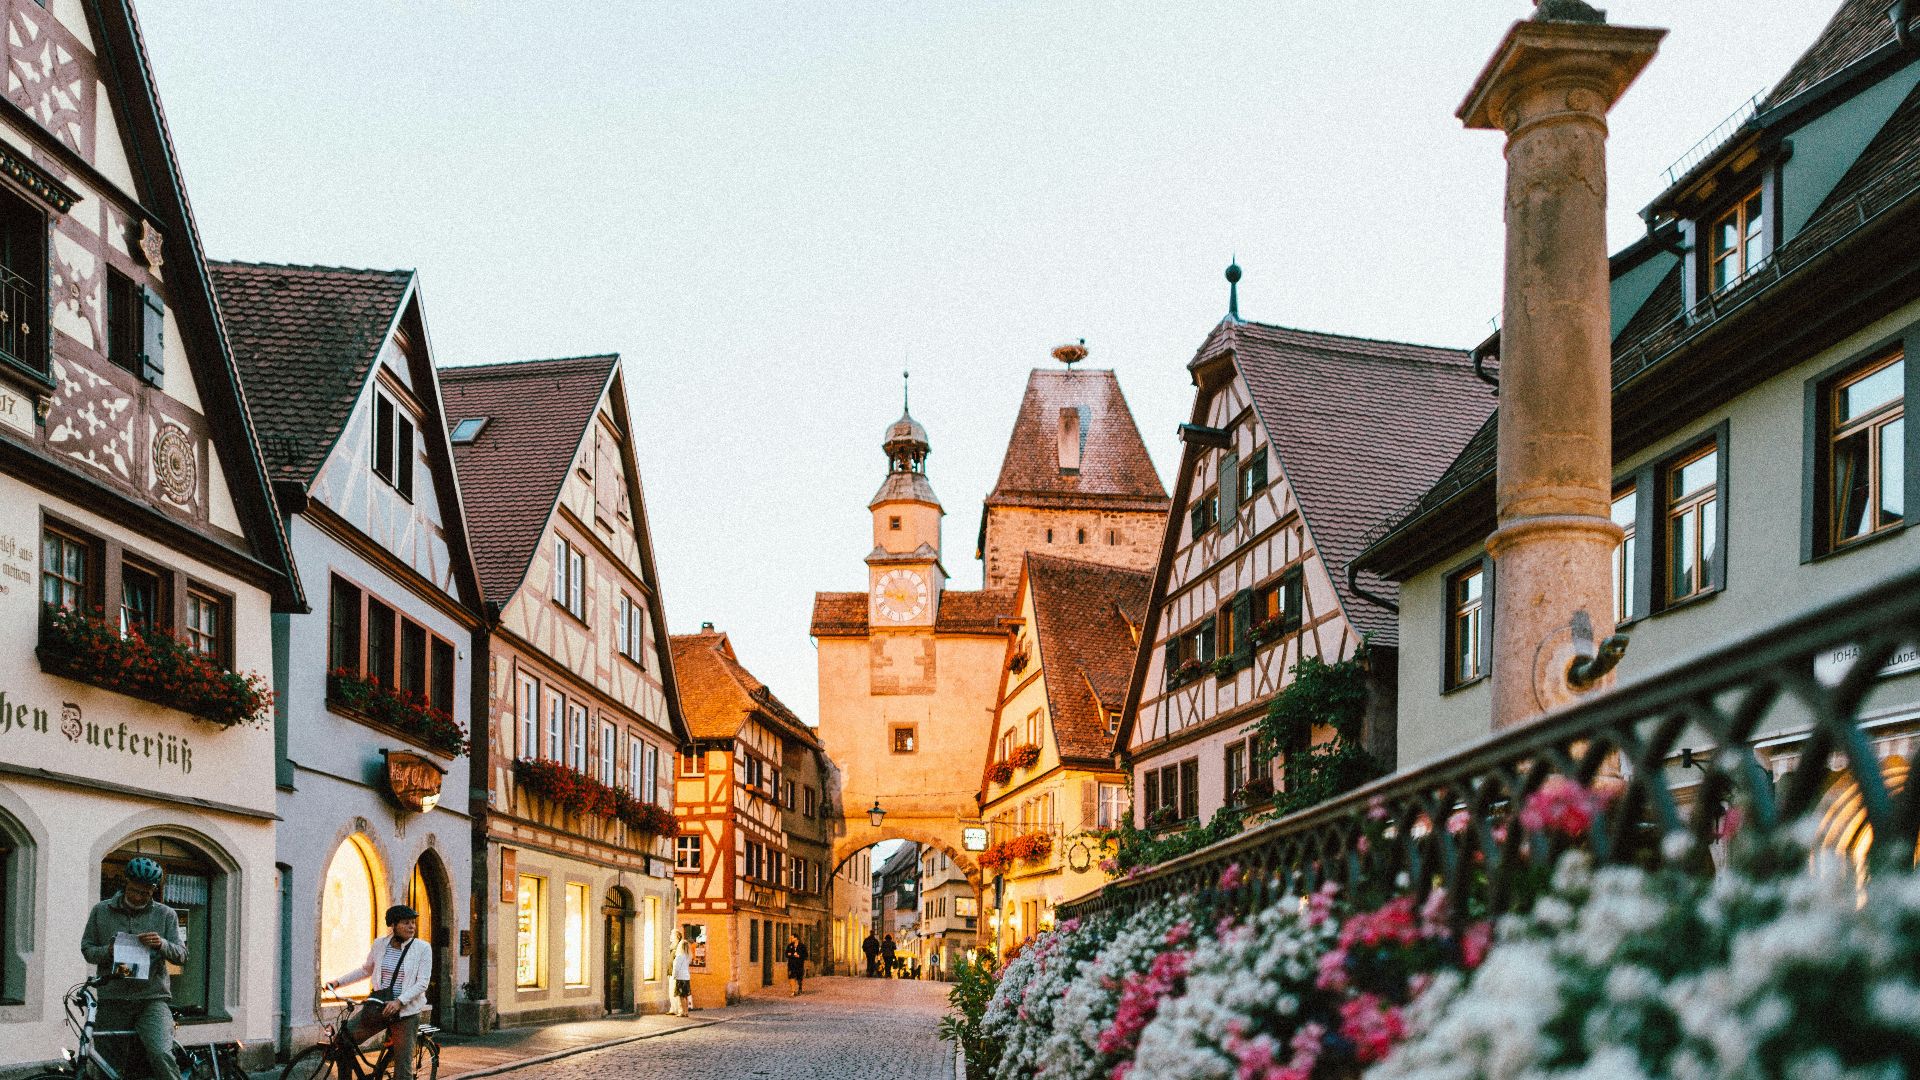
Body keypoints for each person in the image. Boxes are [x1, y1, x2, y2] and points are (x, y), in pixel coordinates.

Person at [81, 858, 187, 1080]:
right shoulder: (102, 911)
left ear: (153, 890)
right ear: (126, 883)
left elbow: (182, 956)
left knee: (160, 1054)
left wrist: (162, 944)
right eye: (134, 891)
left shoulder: (165, 914)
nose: (138, 897)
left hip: (151, 999)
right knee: (106, 1063)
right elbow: (87, 949)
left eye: (145, 893)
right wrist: (108, 952)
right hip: (113, 1000)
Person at [326, 905, 433, 1080]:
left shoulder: (422, 948)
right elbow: (365, 970)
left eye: (413, 922)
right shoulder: (380, 944)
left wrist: (399, 1001)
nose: (412, 926)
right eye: (406, 923)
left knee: (403, 1067)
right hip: (379, 1008)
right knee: (343, 1041)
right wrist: (338, 982)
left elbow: (422, 983)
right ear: (393, 925)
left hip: (405, 1012)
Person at [670, 935, 693, 1017]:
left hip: (680, 977)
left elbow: (676, 968)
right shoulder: (688, 956)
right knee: (685, 996)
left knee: (681, 996)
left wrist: (674, 976)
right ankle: (686, 1011)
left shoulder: (679, 956)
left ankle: (682, 1011)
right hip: (686, 977)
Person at [783, 932, 808, 996]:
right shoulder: (790, 946)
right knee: (791, 977)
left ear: (796, 938)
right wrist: (792, 955)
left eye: (792, 938)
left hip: (799, 964)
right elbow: (786, 954)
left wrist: (799, 956)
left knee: (799, 978)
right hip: (791, 964)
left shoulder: (802, 946)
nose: (791, 939)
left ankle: (800, 987)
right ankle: (793, 991)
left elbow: (806, 955)